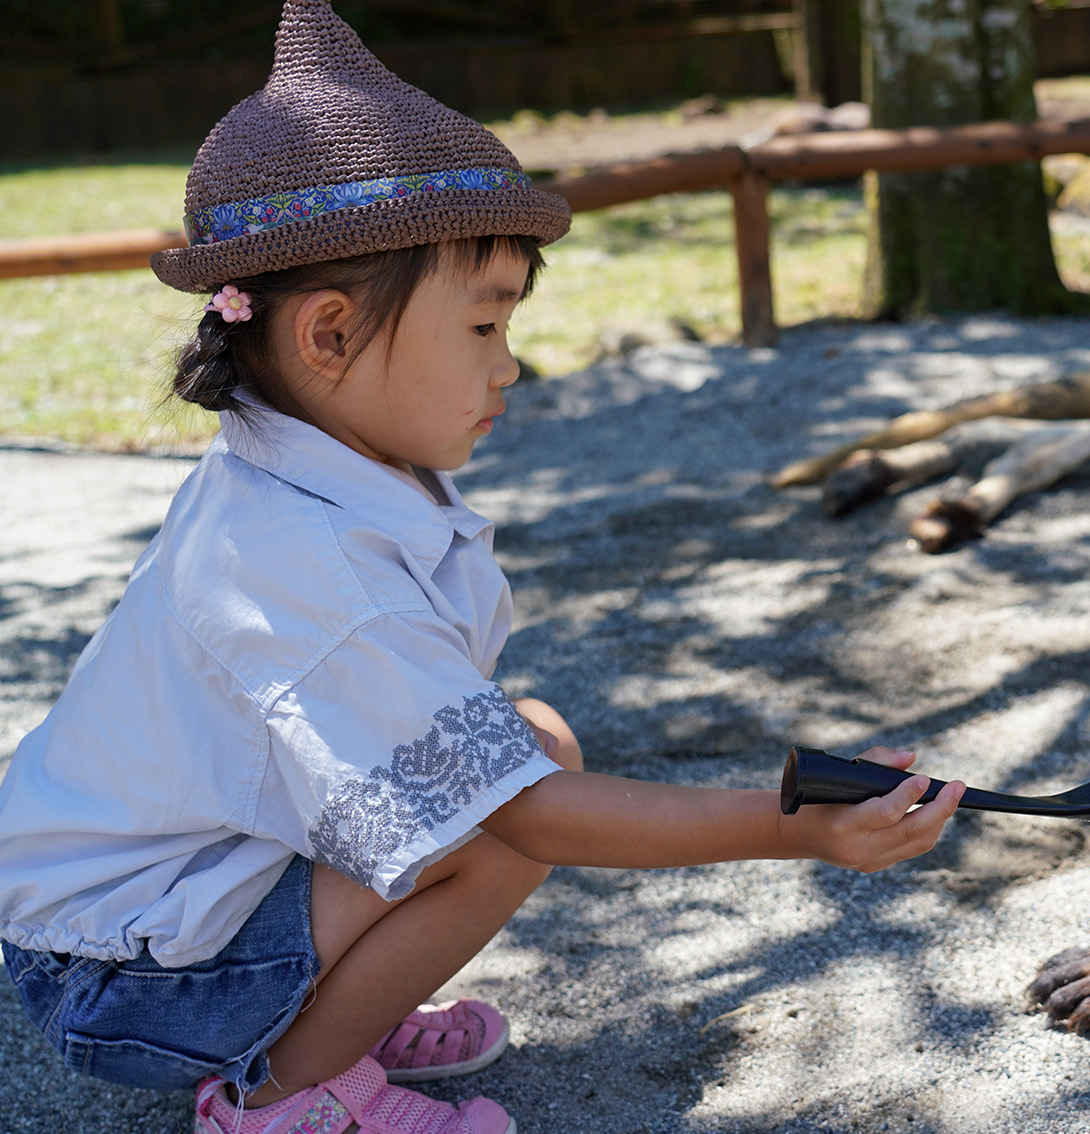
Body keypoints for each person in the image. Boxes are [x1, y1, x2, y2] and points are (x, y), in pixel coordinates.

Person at [0, 5, 966, 1133]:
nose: (511, 366)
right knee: (508, 807)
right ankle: (278, 1086)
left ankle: (321, 1008)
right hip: (123, 982)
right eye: (481, 328)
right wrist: (788, 824)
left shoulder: (307, 468)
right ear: (326, 338)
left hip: (149, 917)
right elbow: (529, 814)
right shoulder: (303, 565)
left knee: (528, 738)